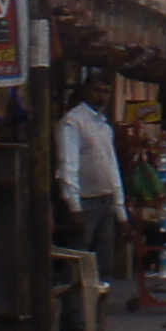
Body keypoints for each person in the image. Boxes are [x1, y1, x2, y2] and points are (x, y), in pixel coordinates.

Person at [55, 87, 127, 310]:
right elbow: (68, 165)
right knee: (79, 265)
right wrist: (74, 207)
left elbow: (112, 168)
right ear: (86, 91)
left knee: (104, 265)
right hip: (84, 202)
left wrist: (121, 213)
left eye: (107, 92)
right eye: (97, 90)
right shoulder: (73, 121)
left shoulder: (103, 125)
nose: (102, 96)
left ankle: (97, 318)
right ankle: (75, 321)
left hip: (105, 199)